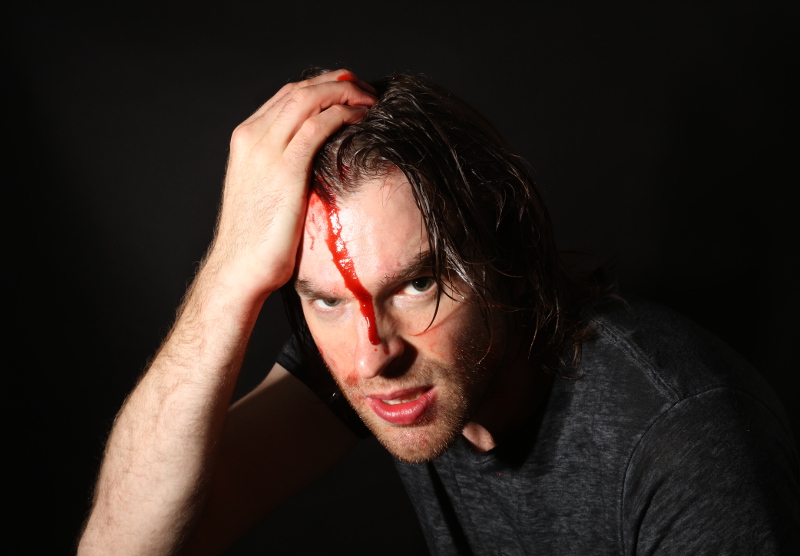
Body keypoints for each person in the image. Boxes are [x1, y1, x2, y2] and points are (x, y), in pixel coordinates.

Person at [78, 69, 799, 555]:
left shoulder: (688, 443)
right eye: (326, 300)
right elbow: (124, 547)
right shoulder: (371, 359)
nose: (373, 357)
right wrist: (228, 276)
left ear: (501, 245)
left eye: (418, 285)